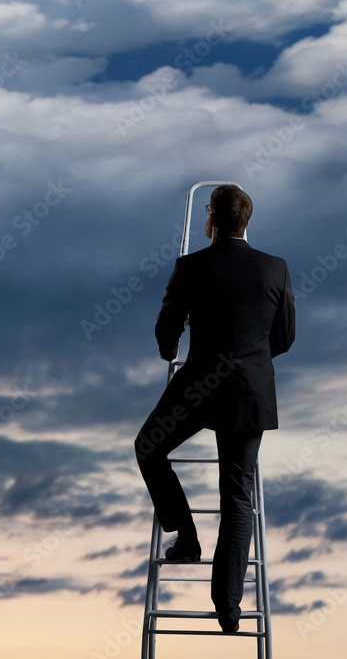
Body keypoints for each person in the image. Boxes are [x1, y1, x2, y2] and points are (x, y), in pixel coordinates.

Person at [135, 184, 295, 633]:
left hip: (198, 389)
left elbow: (166, 330)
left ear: (210, 220)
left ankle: (185, 537)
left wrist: (172, 349)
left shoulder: (190, 265)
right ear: (247, 221)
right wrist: (251, 361)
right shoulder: (275, 268)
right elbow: (284, 339)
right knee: (237, 499)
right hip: (250, 392)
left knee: (148, 447)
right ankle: (229, 609)